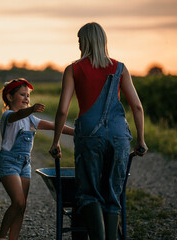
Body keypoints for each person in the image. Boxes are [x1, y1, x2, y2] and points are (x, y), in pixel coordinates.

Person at [49, 22, 148, 240]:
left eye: (79, 40)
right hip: (119, 135)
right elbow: (137, 107)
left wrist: (56, 142)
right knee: (113, 194)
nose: (78, 45)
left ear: (85, 41)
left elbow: (63, 109)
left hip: (89, 136)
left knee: (89, 193)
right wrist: (140, 140)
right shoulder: (120, 68)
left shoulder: (73, 69)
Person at [0, 78, 74, 240]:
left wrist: (77, 132)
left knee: (22, 206)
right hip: (8, 163)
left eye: (28, 96)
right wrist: (31, 109)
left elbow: (55, 126)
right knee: (17, 202)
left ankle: (13, 238)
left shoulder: (31, 119)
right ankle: (1, 237)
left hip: (25, 165)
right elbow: (19, 114)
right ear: (10, 97)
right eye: (22, 95)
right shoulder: (8, 116)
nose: (26, 98)